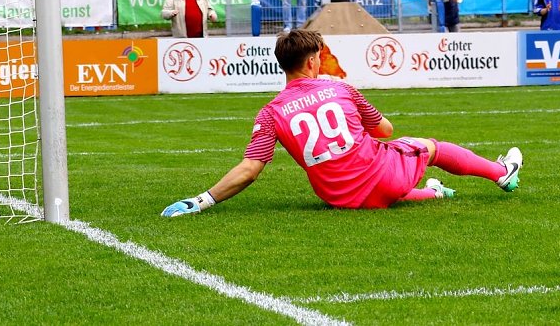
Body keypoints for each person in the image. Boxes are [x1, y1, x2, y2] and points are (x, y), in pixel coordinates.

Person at [161, 29, 522, 216]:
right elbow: (385, 131)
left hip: (340, 197)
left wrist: (202, 200)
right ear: (314, 61)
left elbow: (250, 169)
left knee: (379, 183)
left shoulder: (270, 112)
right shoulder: (342, 89)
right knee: (427, 147)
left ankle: (435, 192)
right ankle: (499, 172)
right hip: (381, 178)